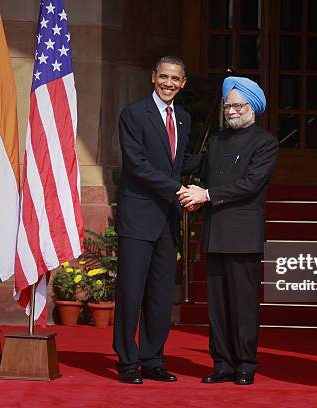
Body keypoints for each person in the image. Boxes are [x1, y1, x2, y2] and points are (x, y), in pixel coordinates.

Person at [178, 77, 279, 385]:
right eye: (228, 105)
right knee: (218, 305)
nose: (232, 111)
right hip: (215, 233)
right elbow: (198, 165)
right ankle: (222, 363)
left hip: (243, 236)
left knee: (243, 304)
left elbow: (250, 184)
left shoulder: (265, 142)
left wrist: (205, 195)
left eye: (238, 105)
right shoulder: (219, 140)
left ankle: (246, 364)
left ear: (253, 107)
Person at [114, 56, 191, 384]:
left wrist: (225, 159)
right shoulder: (133, 114)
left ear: (183, 83)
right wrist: (179, 189)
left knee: (160, 294)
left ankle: (152, 358)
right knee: (131, 292)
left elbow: (181, 160)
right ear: (153, 77)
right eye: (164, 77)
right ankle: (128, 361)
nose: (169, 83)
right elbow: (137, 164)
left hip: (167, 221)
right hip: (138, 217)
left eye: (175, 78)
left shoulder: (184, 118)